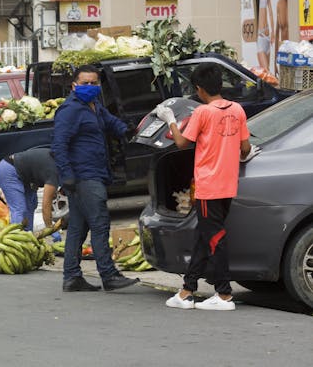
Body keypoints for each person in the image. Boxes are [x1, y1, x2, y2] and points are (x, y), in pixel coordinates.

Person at [156, 63, 253, 311]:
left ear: (199, 89)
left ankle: (224, 294)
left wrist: (170, 121)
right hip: (228, 185)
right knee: (205, 236)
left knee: (214, 237)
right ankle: (187, 290)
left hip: (208, 185)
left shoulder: (202, 112)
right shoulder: (238, 110)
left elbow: (181, 143)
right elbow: (245, 148)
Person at [52, 65, 138, 292]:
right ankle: (108, 275)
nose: (90, 87)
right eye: (85, 83)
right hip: (83, 176)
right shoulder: (69, 110)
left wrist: (126, 130)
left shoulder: (94, 107)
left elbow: (111, 123)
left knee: (78, 228)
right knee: (100, 223)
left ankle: (71, 277)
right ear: (74, 85)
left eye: (94, 83)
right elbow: (59, 145)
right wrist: (67, 175)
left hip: (94, 173)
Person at [0, 147, 62, 235]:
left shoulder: (56, 160)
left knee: (31, 204)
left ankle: (27, 236)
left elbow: (35, 170)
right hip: (8, 170)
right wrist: (51, 229)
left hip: (23, 176)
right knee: (19, 209)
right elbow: (46, 206)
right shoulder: (54, 171)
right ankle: (16, 241)